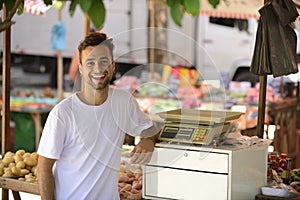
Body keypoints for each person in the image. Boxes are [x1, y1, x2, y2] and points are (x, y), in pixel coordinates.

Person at [37, 32, 161, 200]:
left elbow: (151, 131)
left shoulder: (123, 102)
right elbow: (44, 166)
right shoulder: (63, 114)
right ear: (80, 68)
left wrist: (148, 140)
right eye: (90, 62)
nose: (98, 68)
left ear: (112, 66)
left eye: (104, 61)